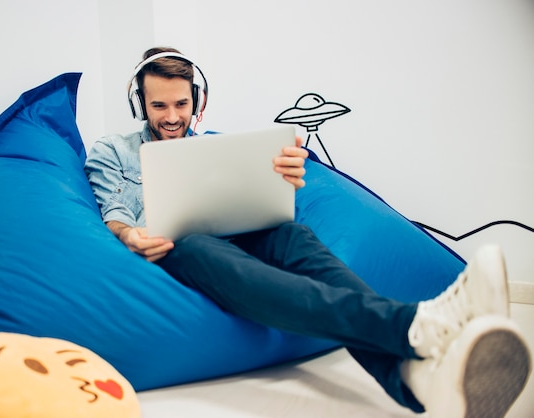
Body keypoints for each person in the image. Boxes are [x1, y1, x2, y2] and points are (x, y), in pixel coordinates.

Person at [84, 46, 531, 416]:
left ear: (196, 102)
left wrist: (281, 177)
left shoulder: (213, 146)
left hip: (238, 231)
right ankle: (416, 322)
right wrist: (128, 235)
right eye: (158, 104)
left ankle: (412, 380)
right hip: (176, 246)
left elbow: (254, 196)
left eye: (181, 104)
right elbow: (114, 210)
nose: (171, 116)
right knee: (203, 246)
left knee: (295, 237)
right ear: (139, 102)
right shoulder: (114, 150)